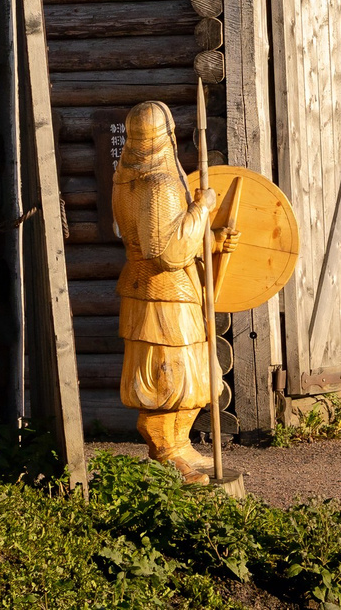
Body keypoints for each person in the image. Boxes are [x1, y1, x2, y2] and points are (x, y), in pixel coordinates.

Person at [108, 99, 217, 479]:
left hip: (149, 294)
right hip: (166, 296)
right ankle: (166, 450)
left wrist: (213, 239)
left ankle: (179, 445)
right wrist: (203, 208)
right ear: (166, 135)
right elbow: (168, 252)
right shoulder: (161, 184)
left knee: (186, 375)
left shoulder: (124, 177)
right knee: (174, 375)